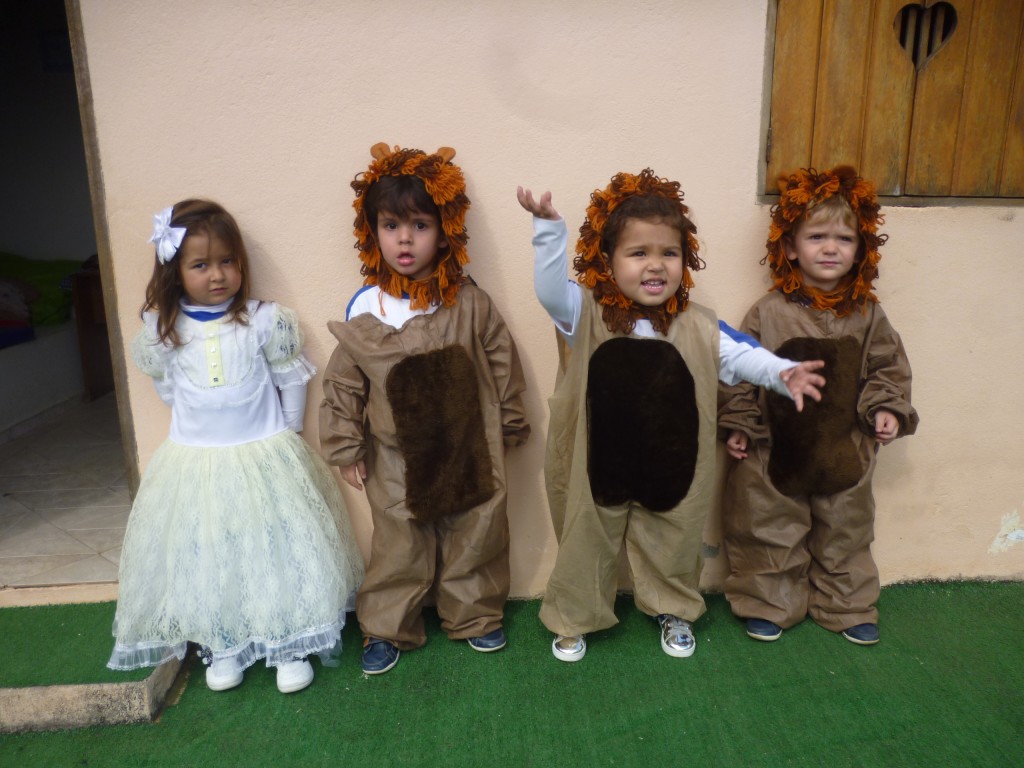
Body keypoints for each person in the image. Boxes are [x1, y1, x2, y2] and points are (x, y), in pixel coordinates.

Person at [517, 169, 825, 662]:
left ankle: (674, 608)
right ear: (609, 260)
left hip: (672, 462)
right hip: (597, 463)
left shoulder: (698, 324)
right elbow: (551, 290)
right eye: (638, 253)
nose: (655, 265)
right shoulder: (586, 313)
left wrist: (781, 373)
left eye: (669, 253)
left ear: (687, 259)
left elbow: (742, 355)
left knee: (674, 541)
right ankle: (574, 615)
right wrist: (549, 231)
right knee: (584, 542)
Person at [108, 199, 363, 694]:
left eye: (227, 261)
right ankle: (223, 644)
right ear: (175, 270)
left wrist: (285, 434)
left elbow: (291, 378)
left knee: (277, 547)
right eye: (200, 265)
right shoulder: (164, 330)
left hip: (264, 456)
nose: (217, 274)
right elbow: (168, 389)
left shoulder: (264, 320)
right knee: (210, 551)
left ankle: (288, 643)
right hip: (195, 465)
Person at [320, 144, 530, 675]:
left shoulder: (470, 300)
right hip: (395, 454)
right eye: (391, 225)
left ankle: (476, 616)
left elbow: (501, 359)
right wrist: (344, 445)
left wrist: (508, 417)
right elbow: (344, 383)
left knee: (477, 530)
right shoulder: (367, 306)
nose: (405, 239)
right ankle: (387, 627)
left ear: (445, 230)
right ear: (373, 233)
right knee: (399, 541)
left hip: (468, 445)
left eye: (419, 224)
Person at [719, 166, 918, 646]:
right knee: (768, 527)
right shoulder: (767, 312)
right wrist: (739, 424)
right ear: (790, 247)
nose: (831, 248)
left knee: (846, 531)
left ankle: (846, 605)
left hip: (842, 448)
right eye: (817, 237)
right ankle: (771, 601)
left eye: (844, 239)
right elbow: (740, 369)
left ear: (861, 249)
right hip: (774, 451)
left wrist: (886, 409)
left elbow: (887, 366)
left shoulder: (868, 315)